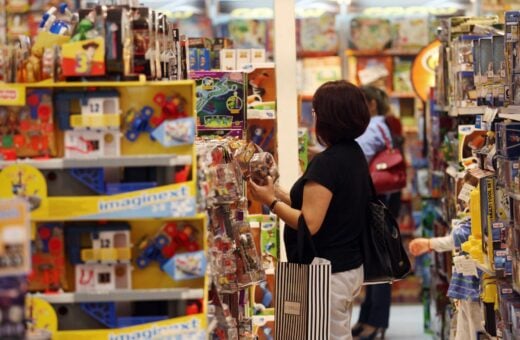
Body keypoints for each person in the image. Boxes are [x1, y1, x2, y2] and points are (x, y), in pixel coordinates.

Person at [248, 80, 372, 340]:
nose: (312, 117)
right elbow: (324, 207)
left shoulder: (327, 164)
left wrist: (271, 202)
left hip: (327, 271)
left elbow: (309, 222)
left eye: (314, 112)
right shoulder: (352, 154)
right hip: (345, 266)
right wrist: (277, 192)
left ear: (328, 117)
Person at [352, 85, 394, 340]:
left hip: (380, 200)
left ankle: (376, 321)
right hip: (380, 197)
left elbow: (359, 154)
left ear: (371, 105)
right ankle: (368, 318)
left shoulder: (374, 125)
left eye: (360, 103)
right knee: (374, 259)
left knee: (379, 262)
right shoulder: (377, 124)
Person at [408, 218, 484, 340]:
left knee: (473, 331)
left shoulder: (483, 209)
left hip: (477, 289)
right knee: (464, 332)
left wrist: (430, 244)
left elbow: (463, 235)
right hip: (467, 286)